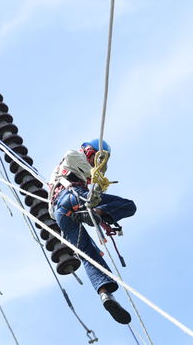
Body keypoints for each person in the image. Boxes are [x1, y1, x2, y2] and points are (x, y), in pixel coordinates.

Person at [48, 139, 136, 324]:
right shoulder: (73, 154)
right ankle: (96, 213)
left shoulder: (54, 178)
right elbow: (78, 161)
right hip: (74, 195)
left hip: (61, 213)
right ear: (90, 151)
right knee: (128, 206)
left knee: (89, 254)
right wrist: (95, 178)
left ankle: (106, 295)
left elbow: (51, 211)